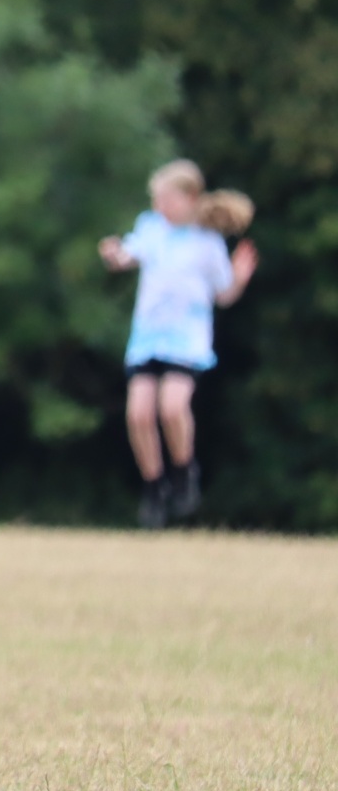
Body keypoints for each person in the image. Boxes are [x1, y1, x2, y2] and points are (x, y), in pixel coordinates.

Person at [98, 159, 257, 529]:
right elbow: (127, 255)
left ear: (189, 198)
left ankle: (184, 471)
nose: (159, 207)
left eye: (165, 200)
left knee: (171, 408)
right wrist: (112, 255)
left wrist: (241, 277)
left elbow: (224, 294)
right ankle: (154, 487)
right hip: (148, 336)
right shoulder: (150, 228)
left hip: (187, 340)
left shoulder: (207, 243)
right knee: (138, 414)